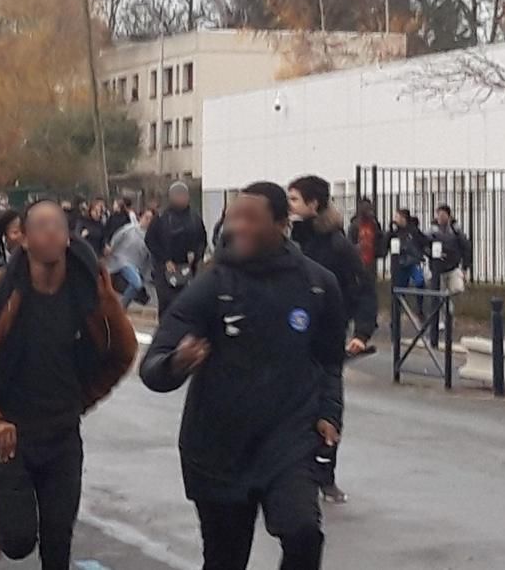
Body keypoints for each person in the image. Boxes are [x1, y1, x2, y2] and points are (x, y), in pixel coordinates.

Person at [0, 201, 138, 569]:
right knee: (18, 542)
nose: (51, 233)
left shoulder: (90, 292)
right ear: (24, 240)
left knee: (58, 538)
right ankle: (1, 515)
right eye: (41, 227)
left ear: (67, 238)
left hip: (63, 434)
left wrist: (85, 398)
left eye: (58, 226)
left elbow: (122, 353)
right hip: (10, 436)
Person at [141, 182, 345, 570]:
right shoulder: (213, 285)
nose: (237, 226)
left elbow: (329, 361)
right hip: (217, 448)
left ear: (283, 224)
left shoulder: (317, 285)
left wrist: (330, 413)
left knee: (303, 533)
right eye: (234, 217)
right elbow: (153, 366)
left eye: (250, 218)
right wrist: (176, 363)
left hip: (288, 441)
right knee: (225, 559)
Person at [287, 175, 377, 505]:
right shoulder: (286, 240)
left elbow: (363, 289)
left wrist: (361, 332)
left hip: (325, 338)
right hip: (287, 338)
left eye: (295, 199)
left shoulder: (337, 246)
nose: (289, 206)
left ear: (314, 204)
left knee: (328, 405)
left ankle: (325, 475)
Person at [146, 181, 208, 318]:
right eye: (178, 195)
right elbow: (150, 240)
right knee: (167, 306)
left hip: (188, 269)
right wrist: (165, 259)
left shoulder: (194, 218)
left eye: (184, 195)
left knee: (187, 303)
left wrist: (197, 255)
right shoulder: (162, 218)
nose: (182, 198)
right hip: (166, 270)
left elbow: (202, 240)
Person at [108, 208, 155, 308]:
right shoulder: (129, 229)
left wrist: (146, 276)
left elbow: (148, 260)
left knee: (137, 285)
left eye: (151, 219)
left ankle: (122, 306)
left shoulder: (151, 238)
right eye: (146, 218)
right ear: (141, 217)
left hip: (136, 267)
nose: (148, 221)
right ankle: (120, 306)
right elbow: (115, 240)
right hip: (121, 261)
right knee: (136, 284)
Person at [428, 204, 472, 296]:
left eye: (443, 215)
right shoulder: (432, 231)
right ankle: (447, 307)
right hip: (438, 269)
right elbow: (425, 245)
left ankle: (447, 300)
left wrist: (465, 266)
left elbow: (466, 246)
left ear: (448, 216)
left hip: (453, 267)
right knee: (439, 295)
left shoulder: (455, 230)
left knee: (458, 288)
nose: (440, 217)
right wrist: (433, 255)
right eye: (438, 215)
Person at [347, 198, 383, 271]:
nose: (371, 212)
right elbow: (350, 242)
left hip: (371, 258)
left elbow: (378, 237)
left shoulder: (374, 224)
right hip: (359, 259)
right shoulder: (355, 225)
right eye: (368, 209)